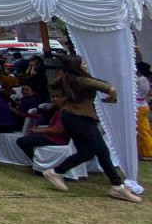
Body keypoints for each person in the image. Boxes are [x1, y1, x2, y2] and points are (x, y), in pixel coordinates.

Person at [41, 55, 141, 202]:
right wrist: (111, 99)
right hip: (81, 119)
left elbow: (51, 86)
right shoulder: (82, 80)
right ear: (77, 66)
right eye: (83, 64)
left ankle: (117, 185)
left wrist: (65, 97)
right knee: (88, 152)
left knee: (102, 151)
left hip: (72, 117)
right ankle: (56, 171)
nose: (86, 66)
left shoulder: (64, 79)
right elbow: (110, 89)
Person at [15, 90, 69, 160]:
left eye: (57, 97)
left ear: (64, 99)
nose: (54, 99)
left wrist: (39, 131)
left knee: (22, 141)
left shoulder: (64, 112)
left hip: (58, 139)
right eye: (53, 97)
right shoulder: (60, 111)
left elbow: (58, 130)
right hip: (53, 137)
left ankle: (38, 162)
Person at [135, 62, 152, 162]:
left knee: (142, 131)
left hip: (139, 106)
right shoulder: (145, 80)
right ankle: (145, 151)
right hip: (142, 105)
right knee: (144, 130)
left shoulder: (140, 80)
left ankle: (147, 152)